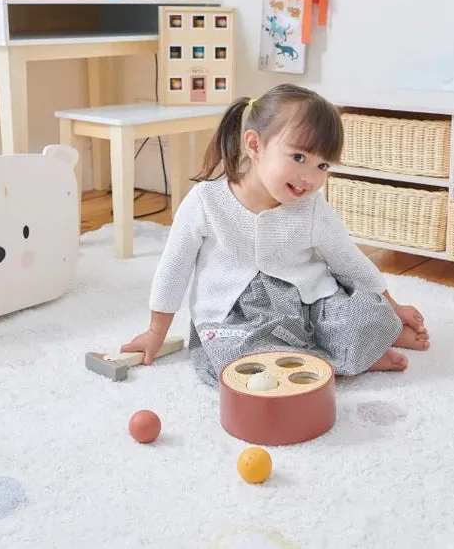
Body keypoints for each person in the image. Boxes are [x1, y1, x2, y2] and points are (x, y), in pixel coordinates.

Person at [120, 84, 430, 386]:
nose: (309, 177)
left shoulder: (311, 209)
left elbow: (349, 261)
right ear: (255, 146)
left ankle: (349, 353)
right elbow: (173, 269)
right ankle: (339, 361)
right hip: (239, 316)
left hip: (311, 306)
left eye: (322, 165)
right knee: (238, 358)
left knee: (368, 315)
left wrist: (394, 307)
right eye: (298, 158)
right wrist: (155, 333)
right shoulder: (206, 202)